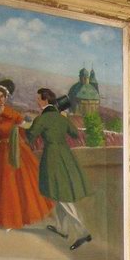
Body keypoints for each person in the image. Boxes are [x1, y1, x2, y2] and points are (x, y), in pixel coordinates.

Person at [0, 78, 53, 230]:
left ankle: (20, 216)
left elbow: (24, 127)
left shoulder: (12, 113)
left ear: (5, 97)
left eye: (2, 96)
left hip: (17, 150)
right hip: (1, 152)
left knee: (22, 184)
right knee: (4, 185)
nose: (0, 100)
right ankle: (5, 217)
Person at [26, 88, 92, 251]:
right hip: (66, 156)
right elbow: (75, 134)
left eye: (39, 99)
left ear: (45, 101)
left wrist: (24, 125)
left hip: (53, 157)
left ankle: (83, 232)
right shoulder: (61, 118)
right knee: (58, 192)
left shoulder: (42, 118)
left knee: (61, 196)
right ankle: (62, 229)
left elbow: (30, 136)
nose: (37, 102)